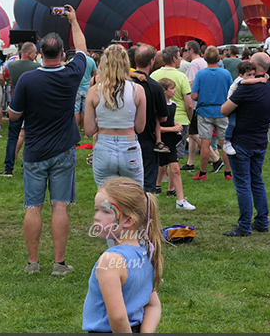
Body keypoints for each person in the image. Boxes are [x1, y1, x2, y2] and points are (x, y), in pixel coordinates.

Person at [7, 4, 87, 275]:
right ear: (62, 53)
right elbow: (84, 52)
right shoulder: (71, 74)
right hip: (63, 150)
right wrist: (74, 21)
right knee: (60, 205)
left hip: (35, 150)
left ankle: (32, 263)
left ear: (40, 52)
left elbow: (14, 116)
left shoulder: (28, 80)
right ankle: (59, 263)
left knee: (33, 206)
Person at [82, 177, 163, 333]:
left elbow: (118, 318)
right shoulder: (145, 252)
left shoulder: (110, 261)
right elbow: (153, 305)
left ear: (128, 221)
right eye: (96, 209)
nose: (97, 217)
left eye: (105, 211)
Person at [220, 52, 270, 236]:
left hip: (241, 142)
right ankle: (262, 221)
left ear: (252, 64)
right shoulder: (269, 87)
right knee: (257, 181)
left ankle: (244, 225)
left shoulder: (245, 87)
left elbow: (224, 110)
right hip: (260, 141)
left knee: (243, 184)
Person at [84, 44, 147, 188]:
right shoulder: (138, 90)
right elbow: (140, 127)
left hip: (103, 147)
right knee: (135, 198)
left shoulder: (94, 91)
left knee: (106, 200)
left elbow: (88, 130)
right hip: (129, 146)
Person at [129, 45, 170, 195]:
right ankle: (146, 215)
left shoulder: (125, 83)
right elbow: (163, 116)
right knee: (147, 187)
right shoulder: (155, 87)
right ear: (152, 61)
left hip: (125, 138)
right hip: (147, 139)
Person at [190, 46, 233, 181]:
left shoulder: (201, 74)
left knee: (205, 143)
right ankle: (228, 172)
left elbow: (194, 95)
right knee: (224, 143)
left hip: (205, 111)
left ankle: (202, 173)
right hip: (222, 111)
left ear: (205, 58)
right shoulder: (225, 74)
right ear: (219, 59)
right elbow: (232, 92)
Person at [150, 47, 194, 170]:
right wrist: (189, 119)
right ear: (174, 59)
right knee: (175, 154)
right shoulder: (181, 76)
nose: (181, 59)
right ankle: (172, 181)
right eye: (179, 56)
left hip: (159, 120)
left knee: (160, 151)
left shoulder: (154, 74)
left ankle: (161, 177)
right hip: (180, 119)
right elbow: (189, 104)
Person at [0, 42, 39, 177]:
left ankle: (8, 167)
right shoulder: (37, 67)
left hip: (15, 103)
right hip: (32, 104)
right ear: (29, 53)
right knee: (30, 135)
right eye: (35, 53)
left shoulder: (11, 66)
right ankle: (27, 164)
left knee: (12, 136)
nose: (36, 55)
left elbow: (6, 78)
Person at [156, 79, 195, 210]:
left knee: (175, 169)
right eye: (172, 89)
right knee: (157, 168)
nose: (175, 91)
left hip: (171, 142)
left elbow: (170, 121)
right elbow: (154, 127)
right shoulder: (157, 106)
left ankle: (180, 200)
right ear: (164, 91)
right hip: (158, 142)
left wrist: (176, 125)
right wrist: (171, 129)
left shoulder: (173, 104)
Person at [183, 41, 208, 171]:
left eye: (185, 50)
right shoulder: (203, 62)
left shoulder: (194, 64)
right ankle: (190, 162)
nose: (184, 52)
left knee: (193, 133)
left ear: (191, 50)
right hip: (202, 101)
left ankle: (214, 157)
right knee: (194, 132)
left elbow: (191, 83)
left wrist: (184, 94)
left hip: (194, 102)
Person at [74, 48, 98, 133]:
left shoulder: (74, 60)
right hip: (87, 88)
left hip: (77, 87)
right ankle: (83, 129)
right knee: (86, 110)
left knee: (76, 109)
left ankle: (76, 129)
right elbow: (95, 75)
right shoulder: (91, 61)